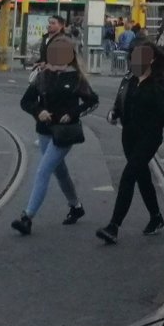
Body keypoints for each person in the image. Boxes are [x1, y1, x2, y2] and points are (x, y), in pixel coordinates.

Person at [11, 36, 99, 235]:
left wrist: (73, 113)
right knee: (60, 172)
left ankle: (27, 217)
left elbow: (92, 100)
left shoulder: (76, 77)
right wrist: (38, 111)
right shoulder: (43, 76)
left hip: (65, 133)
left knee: (43, 171)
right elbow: (26, 102)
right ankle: (76, 206)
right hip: (44, 131)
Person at [96, 41, 164, 244]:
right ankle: (156, 217)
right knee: (142, 177)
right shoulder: (129, 79)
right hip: (129, 136)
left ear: (151, 59)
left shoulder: (158, 85)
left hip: (149, 137)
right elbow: (119, 102)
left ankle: (114, 226)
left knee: (128, 176)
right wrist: (113, 113)